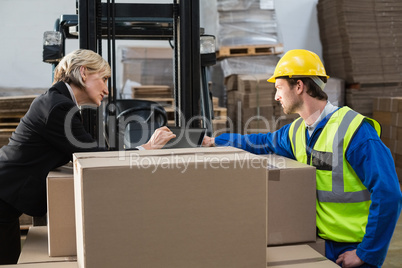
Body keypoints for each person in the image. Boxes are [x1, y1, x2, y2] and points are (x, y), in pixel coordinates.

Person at [203, 49, 402, 267]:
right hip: (322, 244)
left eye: (279, 88)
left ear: (299, 86)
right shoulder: (296, 131)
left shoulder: (355, 131)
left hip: (355, 248)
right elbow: (261, 142)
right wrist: (216, 141)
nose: (276, 96)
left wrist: (366, 253)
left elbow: (388, 193)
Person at [0, 49, 175, 264]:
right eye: (103, 79)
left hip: (6, 201)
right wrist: (146, 148)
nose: (107, 90)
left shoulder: (60, 102)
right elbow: (92, 156)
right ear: (83, 73)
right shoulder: (59, 107)